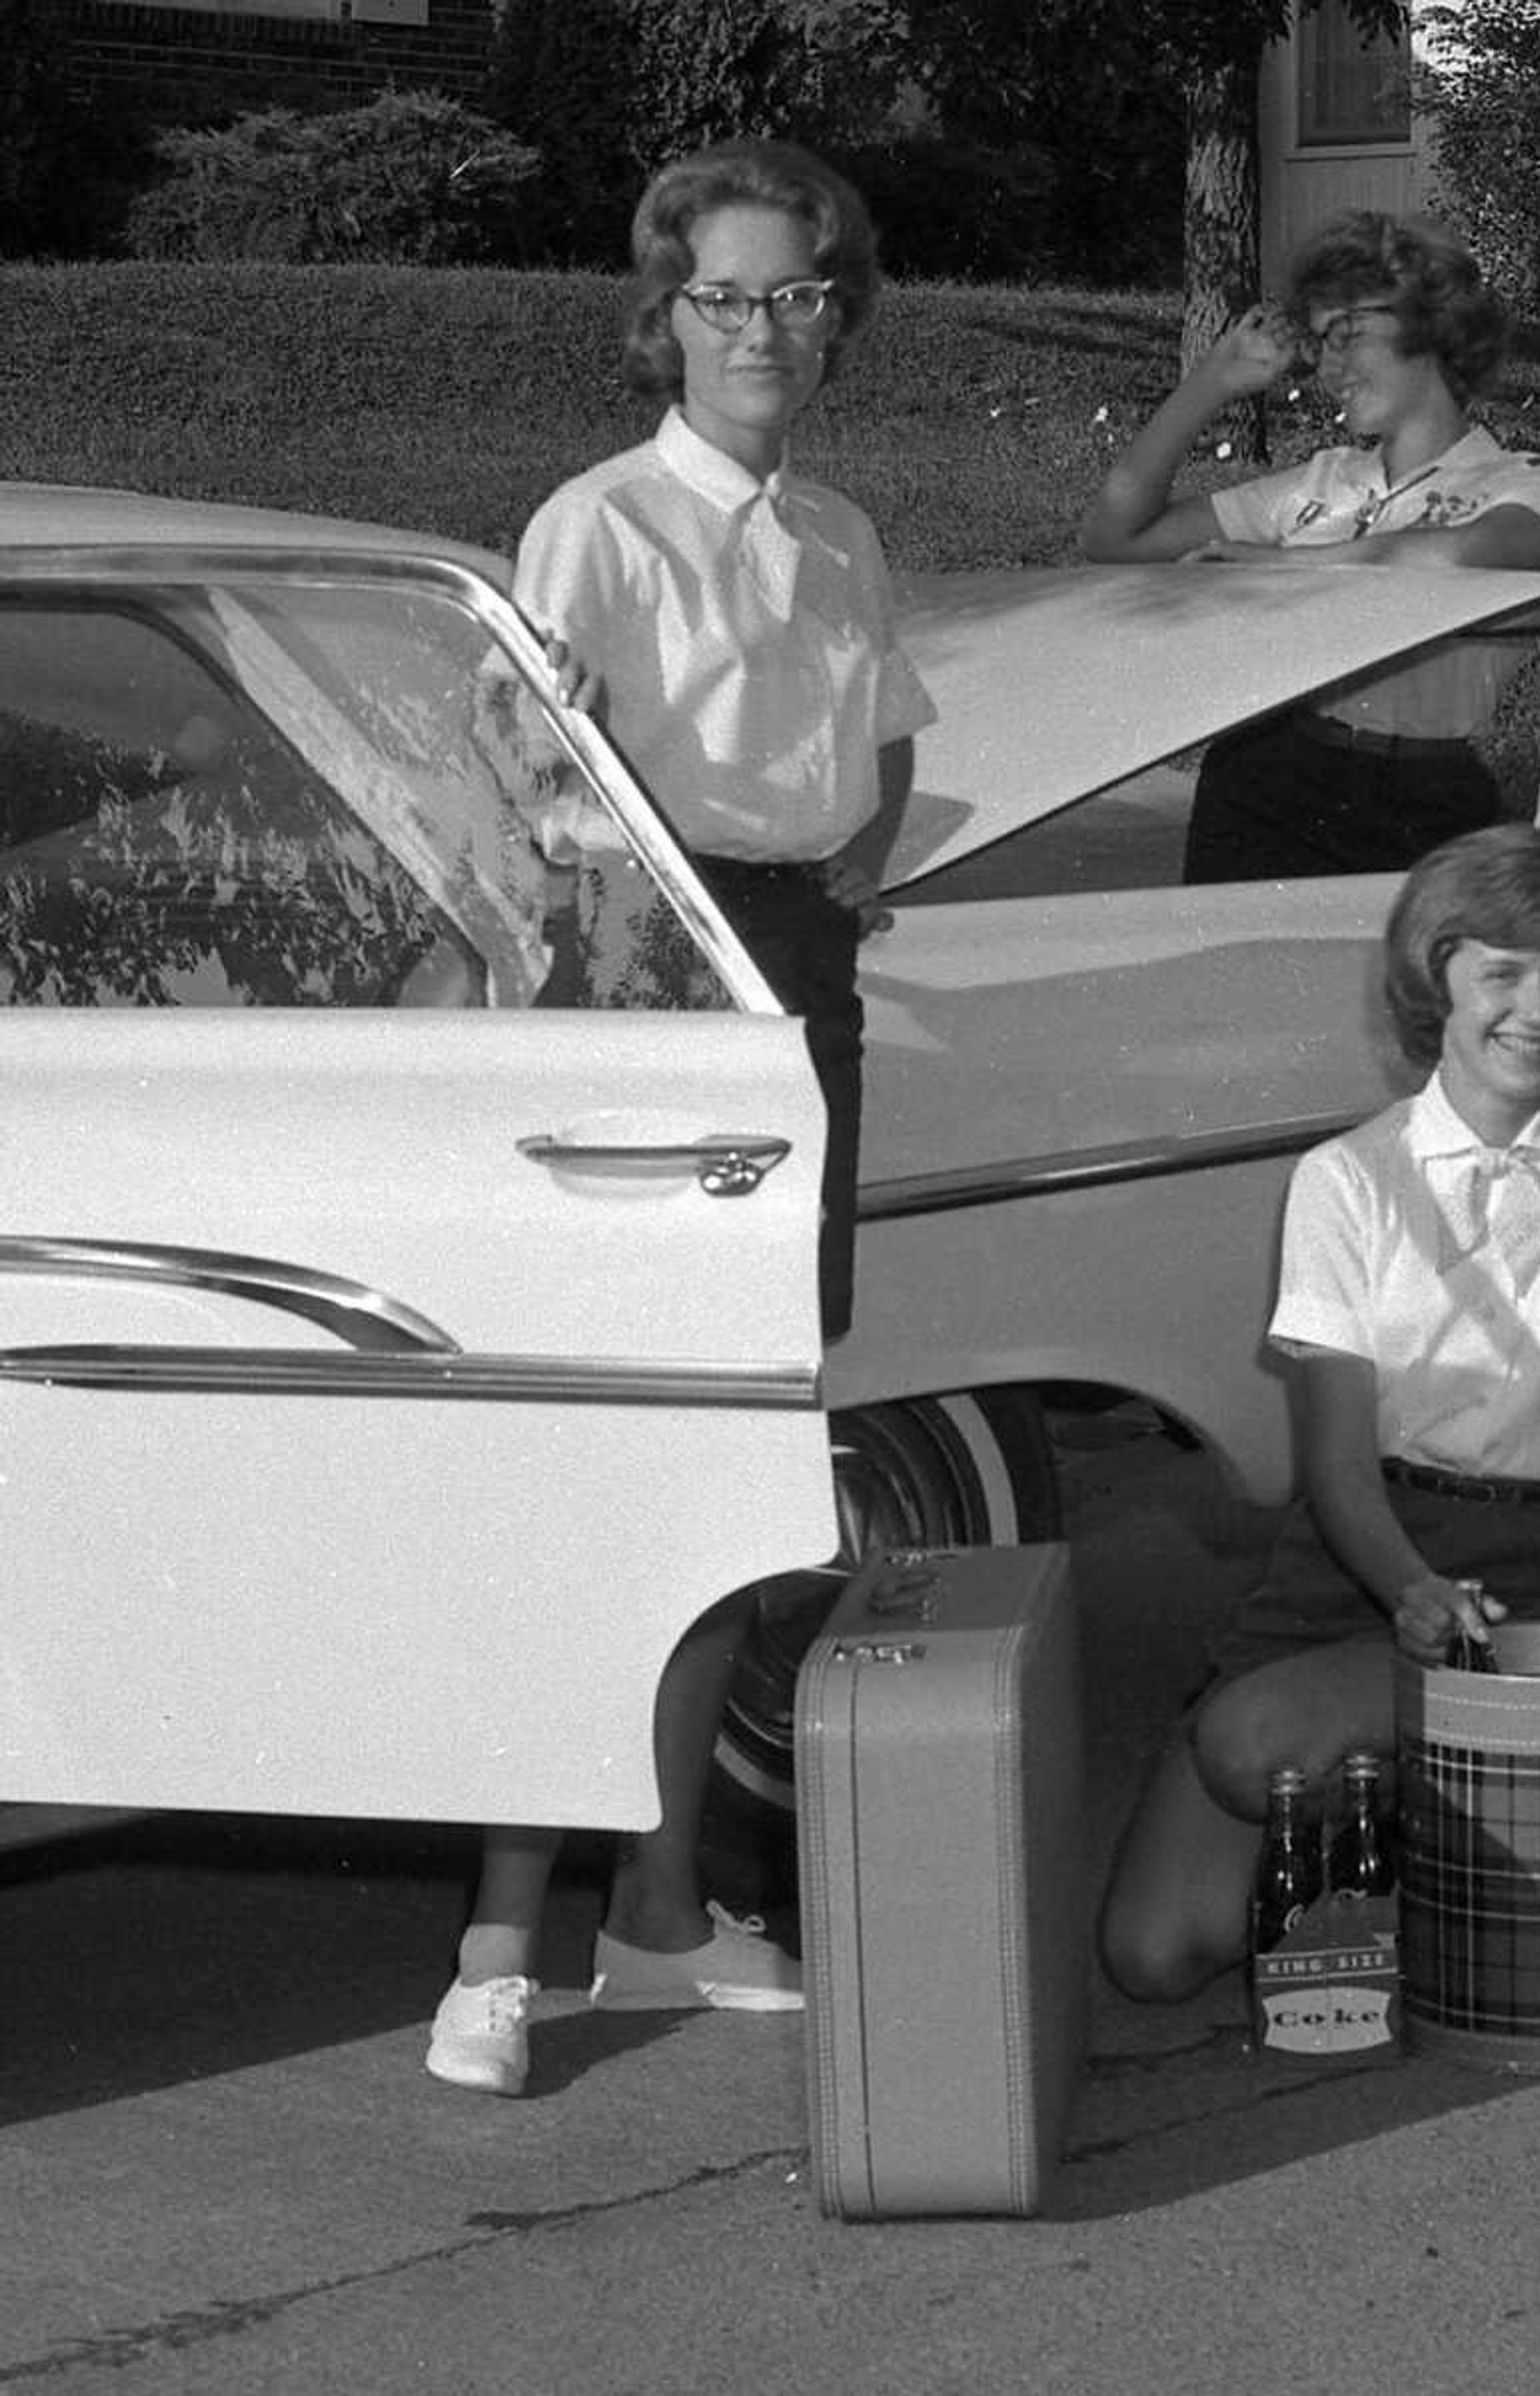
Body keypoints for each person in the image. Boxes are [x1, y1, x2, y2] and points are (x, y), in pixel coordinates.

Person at [428, 138, 933, 2094]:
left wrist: (827, 897)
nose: (767, 332)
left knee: (731, 1468)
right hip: (640, 990)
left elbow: (879, 769)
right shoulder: (595, 529)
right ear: (666, 312)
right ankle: (495, 1943)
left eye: (800, 296)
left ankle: (652, 1914)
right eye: (728, 296)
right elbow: (515, 805)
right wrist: (645, 945)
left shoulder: (845, 535)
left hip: (795, 988)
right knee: (590, 1483)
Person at [1099, 824, 1540, 2002]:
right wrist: (1407, 1591)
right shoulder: (1345, 1178)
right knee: (1153, 1954)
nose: (1537, 1007)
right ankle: (1442, 1835)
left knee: (1255, 1748)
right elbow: (1339, 1463)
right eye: (1501, 971)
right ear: (1433, 978)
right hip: (1374, 1553)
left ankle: (1447, 1846)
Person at [1075, 210, 1540, 883]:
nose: (1330, 367)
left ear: (1427, 321)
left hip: (1429, 797)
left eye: (1347, 335)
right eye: (1322, 344)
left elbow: (1468, 556)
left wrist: (1283, 567)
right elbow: (1113, 537)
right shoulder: (1319, 481)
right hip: (1268, 776)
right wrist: (1212, 383)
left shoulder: (1533, 482)